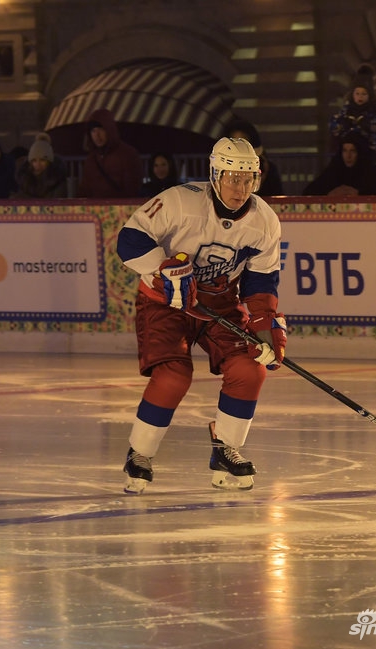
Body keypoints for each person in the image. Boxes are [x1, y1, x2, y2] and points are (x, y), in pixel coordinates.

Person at [115, 137, 287, 494]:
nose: (240, 189)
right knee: (173, 375)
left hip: (218, 303)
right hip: (165, 303)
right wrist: (164, 270)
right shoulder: (180, 201)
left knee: (249, 368)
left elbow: (260, 282)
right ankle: (140, 453)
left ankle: (226, 451)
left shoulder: (265, 221)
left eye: (248, 180)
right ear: (214, 174)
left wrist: (266, 326)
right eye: (232, 178)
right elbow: (129, 240)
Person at [328, 64, 376, 159]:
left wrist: (369, 127)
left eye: (364, 94)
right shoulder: (343, 114)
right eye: (357, 93)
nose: (360, 97)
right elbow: (333, 131)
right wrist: (343, 126)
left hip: (368, 158)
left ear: (369, 96)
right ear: (352, 95)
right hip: (347, 159)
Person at [77, 108, 144, 198]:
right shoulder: (91, 160)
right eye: (93, 131)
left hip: (121, 209)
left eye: (101, 129)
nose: (97, 135)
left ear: (109, 129)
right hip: (94, 210)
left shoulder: (128, 155)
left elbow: (132, 188)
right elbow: (84, 190)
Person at [303, 133, 376, 196]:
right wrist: (330, 194)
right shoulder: (335, 170)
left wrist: (359, 194)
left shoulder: (370, 172)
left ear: (360, 153)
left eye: (353, 151)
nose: (348, 156)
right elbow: (308, 192)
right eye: (345, 151)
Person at [225, 119, 283, 197]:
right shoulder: (223, 168)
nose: (238, 148)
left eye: (242, 143)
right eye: (233, 143)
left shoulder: (267, 168)